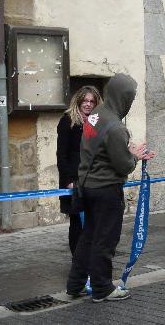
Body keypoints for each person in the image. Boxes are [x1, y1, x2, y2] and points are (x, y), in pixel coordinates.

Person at [66, 73, 154, 302]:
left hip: (87, 185)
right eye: (130, 98)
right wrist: (134, 156)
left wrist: (125, 150)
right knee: (105, 240)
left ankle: (75, 284)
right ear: (123, 97)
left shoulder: (96, 114)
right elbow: (124, 165)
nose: (130, 103)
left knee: (88, 236)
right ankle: (102, 288)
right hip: (106, 189)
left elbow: (101, 148)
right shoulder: (116, 127)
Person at [57, 85, 101, 255]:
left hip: (94, 178)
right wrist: (68, 181)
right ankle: (78, 258)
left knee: (94, 220)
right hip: (75, 179)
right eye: (85, 101)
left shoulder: (98, 122)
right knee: (77, 221)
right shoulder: (68, 121)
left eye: (92, 101)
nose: (88, 104)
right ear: (78, 101)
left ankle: (91, 257)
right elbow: (62, 155)